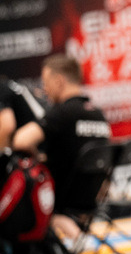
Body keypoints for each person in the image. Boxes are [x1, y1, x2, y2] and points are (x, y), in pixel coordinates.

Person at [11, 55, 111, 240]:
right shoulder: (98, 114)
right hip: (93, 197)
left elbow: (20, 141)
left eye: (46, 82)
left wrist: (36, 156)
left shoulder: (62, 113)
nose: (45, 89)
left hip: (61, 199)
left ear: (59, 81)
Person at [0, 76, 45, 150]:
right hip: (39, 133)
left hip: (35, 141)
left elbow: (7, 127)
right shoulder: (8, 85)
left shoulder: (2, 88)